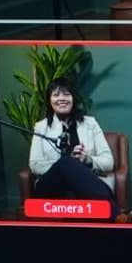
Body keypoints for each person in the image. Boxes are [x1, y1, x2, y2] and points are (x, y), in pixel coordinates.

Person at [24, 81, 116, 212]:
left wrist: (87, 160)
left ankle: (115, 214)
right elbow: (35, 165)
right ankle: (115, 212)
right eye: (56, 95)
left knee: (70, 164)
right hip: (51, 187)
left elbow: (109, 162)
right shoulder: (41, 127)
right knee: (67, 162)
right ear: (49, 100)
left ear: (73, 98)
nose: (61, 98)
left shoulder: (91, 124)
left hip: (88, 185)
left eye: (67, 94)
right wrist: (64, 164)